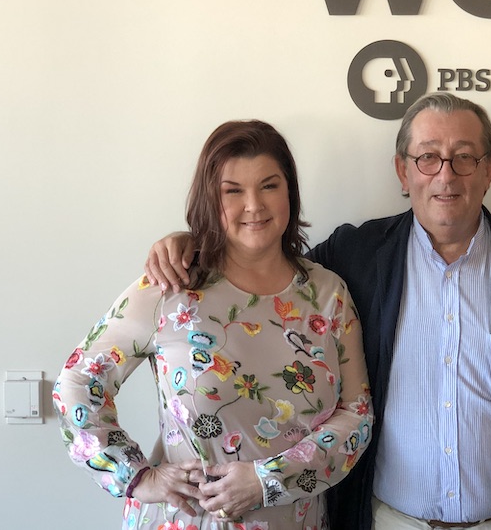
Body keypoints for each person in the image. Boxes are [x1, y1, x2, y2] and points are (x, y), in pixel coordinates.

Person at [145, 92, 491, 530]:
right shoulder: (354, 257)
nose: (446, 175)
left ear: (490, 170)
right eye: (427, 157)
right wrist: (195, 246)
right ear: (402, 172)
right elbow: (268, 269)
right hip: (385, 520)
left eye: (464, 157)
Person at [54, 120, 373, 530]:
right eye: (233, 190)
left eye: (269, 185)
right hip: (190, 520)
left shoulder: (328, 293)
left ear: (290, 192)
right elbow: (78, 382)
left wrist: (268, 480)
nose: (254, 205)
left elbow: (357, 414)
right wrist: (132, 475)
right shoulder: (170, 289)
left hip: (295, 519)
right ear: (211, 198)